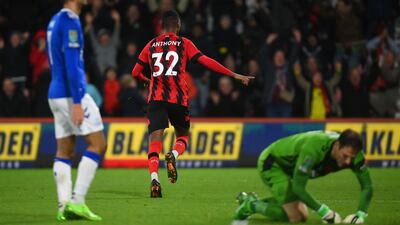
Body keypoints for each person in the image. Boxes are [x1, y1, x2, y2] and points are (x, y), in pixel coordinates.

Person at [131, 10, 254, 198]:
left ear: (163, 26)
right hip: (178, 100)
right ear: (178, 26)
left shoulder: (151, 44)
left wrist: (147, 80)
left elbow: (134, 72)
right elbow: (206, 61)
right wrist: (234, 75)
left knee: (155, 140)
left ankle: (154, 179)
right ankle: (174, 154)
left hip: (156, 99)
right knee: (183, 137)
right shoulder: (184, 43)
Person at [233, 129, 373, 224]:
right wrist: (326, 212)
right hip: (273, 163)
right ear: (337, 146)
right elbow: (298, 187)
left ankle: (250, 199)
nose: (348, 162)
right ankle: (250, 205)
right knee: (293, 216)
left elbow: (367, 186)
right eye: (345, 156)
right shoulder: (314, 149)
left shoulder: (354, 155)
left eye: (351, 157)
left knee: (303, 215)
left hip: (291, 167)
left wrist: (360, 215)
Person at [46, 0, 106, 221]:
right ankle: (78, 201)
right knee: (98, 144)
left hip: (55, 93)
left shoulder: (54, 20)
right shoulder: (71, 21)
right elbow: (72, 64)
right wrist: (78, 101)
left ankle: (63, 207)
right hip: (71, 94)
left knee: (65, 149)